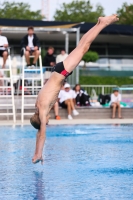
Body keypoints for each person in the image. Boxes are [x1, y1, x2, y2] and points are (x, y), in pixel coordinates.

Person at [30, 15, 119, 164]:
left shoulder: (43, 111)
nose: (47, 122)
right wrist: (37, 153)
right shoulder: (38, 106)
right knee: (82, 45)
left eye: (45, 123)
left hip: (62, 72)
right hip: (58, 71)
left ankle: (103, 23)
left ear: (42, 120)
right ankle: (99, 23)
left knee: (84, 47)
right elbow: (39, 134)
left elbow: (42, 134)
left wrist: (38, 154)